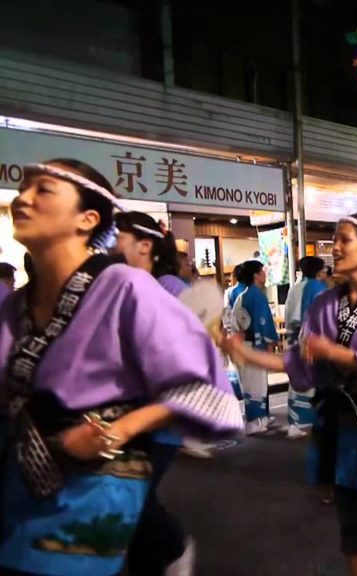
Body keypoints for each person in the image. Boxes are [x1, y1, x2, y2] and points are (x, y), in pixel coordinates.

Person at [0, 159, 241, 575]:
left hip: (93, 481)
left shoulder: (128, 287)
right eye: (24, 188)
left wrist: (120, 429)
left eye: (43, 190)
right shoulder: (15, 304)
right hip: (19, 476)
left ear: (88, 219)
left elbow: (204, 386)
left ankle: (169, 551)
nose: (23, 198)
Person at [224, 213, 357, 576]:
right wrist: (243, 353)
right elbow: (300, 363)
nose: (335, 247)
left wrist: (332, 352)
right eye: (335, 238)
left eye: (344, 239)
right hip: (338, 422)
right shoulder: (324, 304)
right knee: (350, 525)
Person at [112, 210, 198, 574]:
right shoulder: (115, 286)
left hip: (159, 420)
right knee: (124, 496)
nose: (111, 245)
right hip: (123, 416)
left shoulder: (171, 288)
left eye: (118, 238)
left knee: (135, 495)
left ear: (144, 246)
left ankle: (174, 547)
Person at [231, 259, 280, 435]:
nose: (265, 274)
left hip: (244, 344)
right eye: (262, 271)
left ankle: (259, 418)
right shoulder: (255, 296)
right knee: (255, 386)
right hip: (251, 345)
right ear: (256, 275)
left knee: (253, 384)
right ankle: (253, 422)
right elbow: (263, 324)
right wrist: (269, 346)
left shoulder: (244, 294)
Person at [282, 256, 329, 439]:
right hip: (310, 338)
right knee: (311, 381)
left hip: (294, 337)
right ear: (319, 272)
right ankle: (305, 421)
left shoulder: (295, 287)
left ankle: (294, 421)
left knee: (296, 380)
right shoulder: (317, 288)